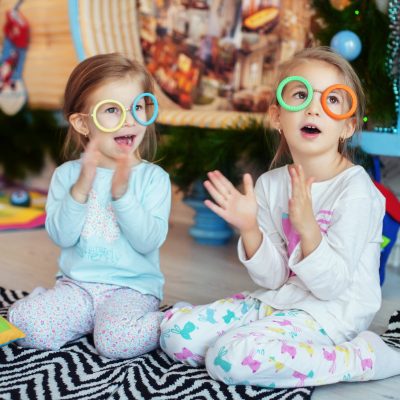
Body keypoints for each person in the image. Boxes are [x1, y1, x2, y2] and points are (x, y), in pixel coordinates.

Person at [160, 46, 400, 387]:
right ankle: (255, 338)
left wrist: (308, 229)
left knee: (229, 359)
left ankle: (361, 358)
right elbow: (273, 279)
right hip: (280, 300)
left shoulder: (358, 190)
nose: (314, 108)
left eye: (332, 100)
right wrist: (249, 230)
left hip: (332, 313)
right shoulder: (271, 184)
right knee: (176, 335)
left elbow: (333, 286)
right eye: (301, 95)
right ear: (277, 117)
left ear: (348, 126)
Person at [8, 53, 171, 359]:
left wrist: (123, 197)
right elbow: (62, 236)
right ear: (83, 124)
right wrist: (80, 189)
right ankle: (83, 317)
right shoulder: (67, 175)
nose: (130, 119)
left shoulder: (153, 178)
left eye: (138, 106)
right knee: (24, 325)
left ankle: (174, 320)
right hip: (77, 287)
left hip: (131, 290)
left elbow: (148, 241)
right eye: (112, 109)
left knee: (115, 343)